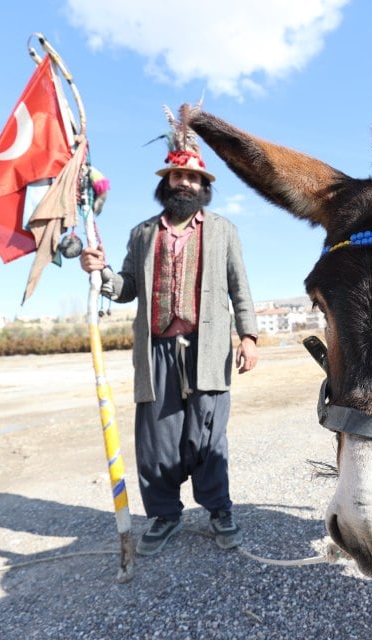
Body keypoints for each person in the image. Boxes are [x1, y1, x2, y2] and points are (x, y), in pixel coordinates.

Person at [79, 104, 259, 556]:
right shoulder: (142, 234)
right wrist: (99, 272)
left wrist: (249, 336)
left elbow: (240, 287)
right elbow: (125, 290)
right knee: (157, 440)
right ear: (167, 183)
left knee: (208, 434)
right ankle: (164, 515)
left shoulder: (223, 231)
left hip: (209, 346)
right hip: (156, 349)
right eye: (179, 178)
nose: (186, 184)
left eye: (194, 179)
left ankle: (219, 510)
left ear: (204, 188)